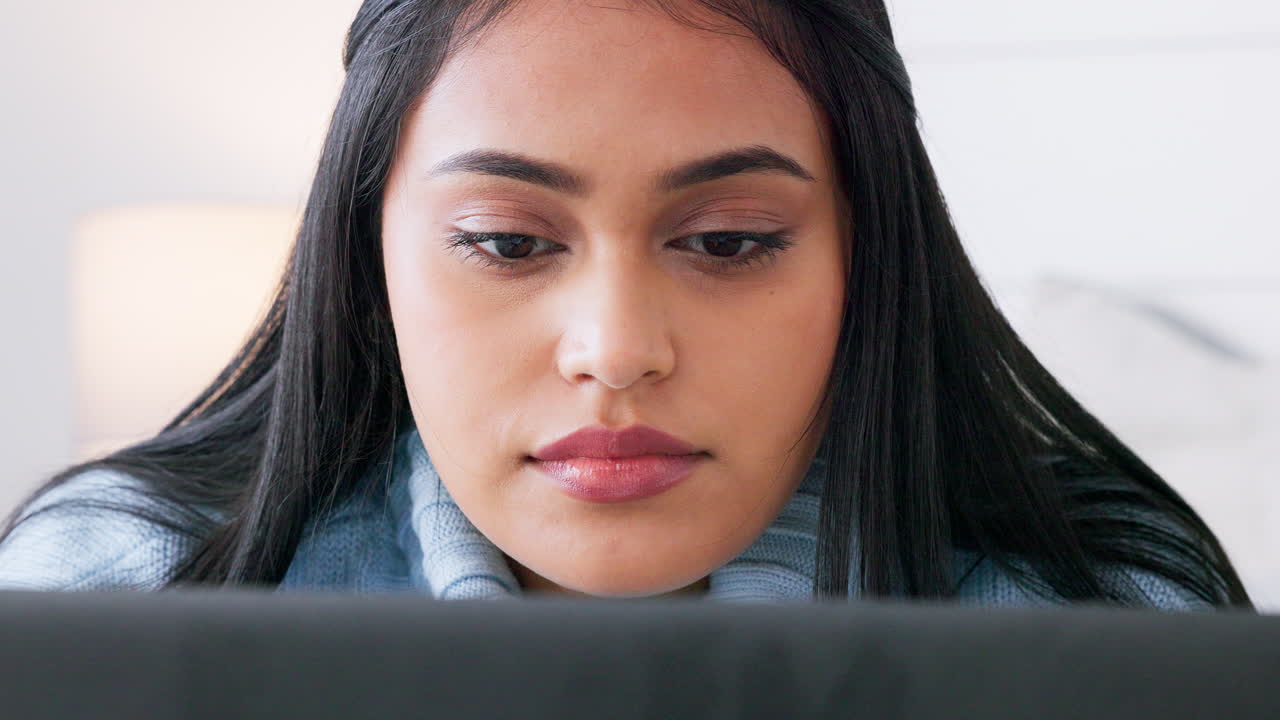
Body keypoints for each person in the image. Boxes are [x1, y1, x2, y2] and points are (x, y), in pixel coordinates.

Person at [0, 0, 1254, 609]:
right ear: (364, 259)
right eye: (501, 241)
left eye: (726, 241)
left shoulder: (1098, 610)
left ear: (867, 263)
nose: (616, 352)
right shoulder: (122, 582)